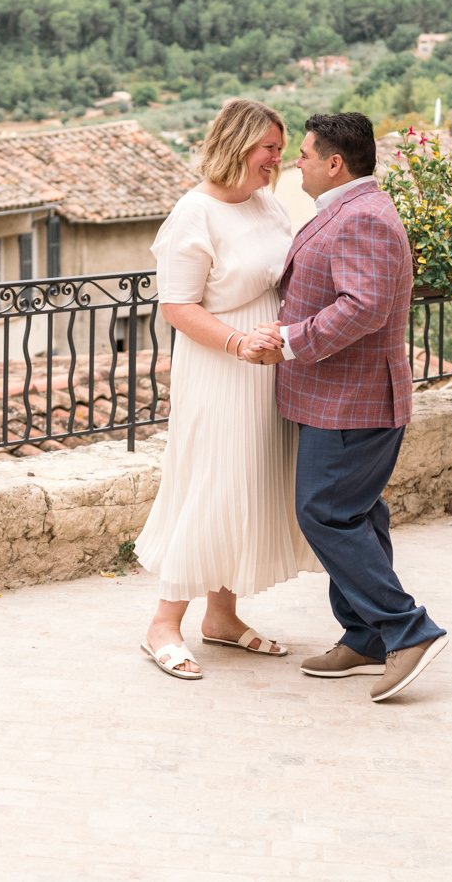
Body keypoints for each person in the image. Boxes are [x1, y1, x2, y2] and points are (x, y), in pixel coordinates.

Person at [242, 112, 448, 702]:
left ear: (335, 163)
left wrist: (289, 340)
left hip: (353, 400)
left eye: (303, 154)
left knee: (326, 514)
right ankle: (365, 636)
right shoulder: (348, 210)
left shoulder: (364, 219)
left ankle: (408, 630)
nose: (295, 162)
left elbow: (363, 308)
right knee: (358, 515)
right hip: (338, 397)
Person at [135, 99, 319, 679]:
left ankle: (223, 617)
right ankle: (163, 624)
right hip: (219, 366)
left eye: (281, 150)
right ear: (239, 146)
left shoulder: (268, 204)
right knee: (210, 484)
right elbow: (176, 306)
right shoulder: (194, 213)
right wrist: (240, 344)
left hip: (266, 366)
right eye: (269, 149)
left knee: (247, 482)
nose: (277, 160)